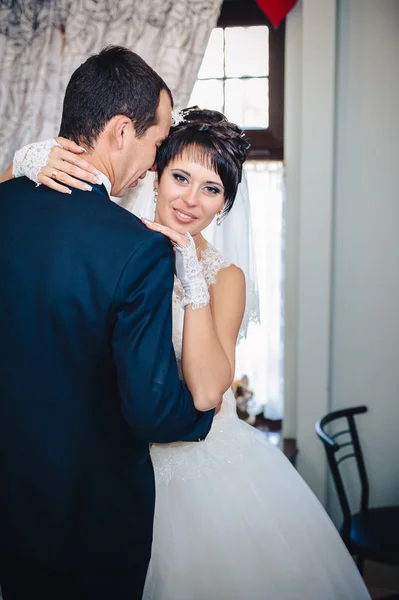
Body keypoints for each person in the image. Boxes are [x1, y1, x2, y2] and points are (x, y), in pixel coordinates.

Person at [5, 108, 371, 600]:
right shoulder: (113, 238)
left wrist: (189, 276)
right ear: (155, 174)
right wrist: (24, 161)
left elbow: (205, 389)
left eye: (211, 189)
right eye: (181, 177)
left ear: (224, 204)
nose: (191, 200)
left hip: (200, 475)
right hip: (112, 463)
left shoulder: (226, 278)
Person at [0, 49, 215, 600]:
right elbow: (146, 407)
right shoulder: (138, 248)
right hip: (88, 519)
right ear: (121, 132)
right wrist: (202, 411)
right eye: (155, 143)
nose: (153, 163)